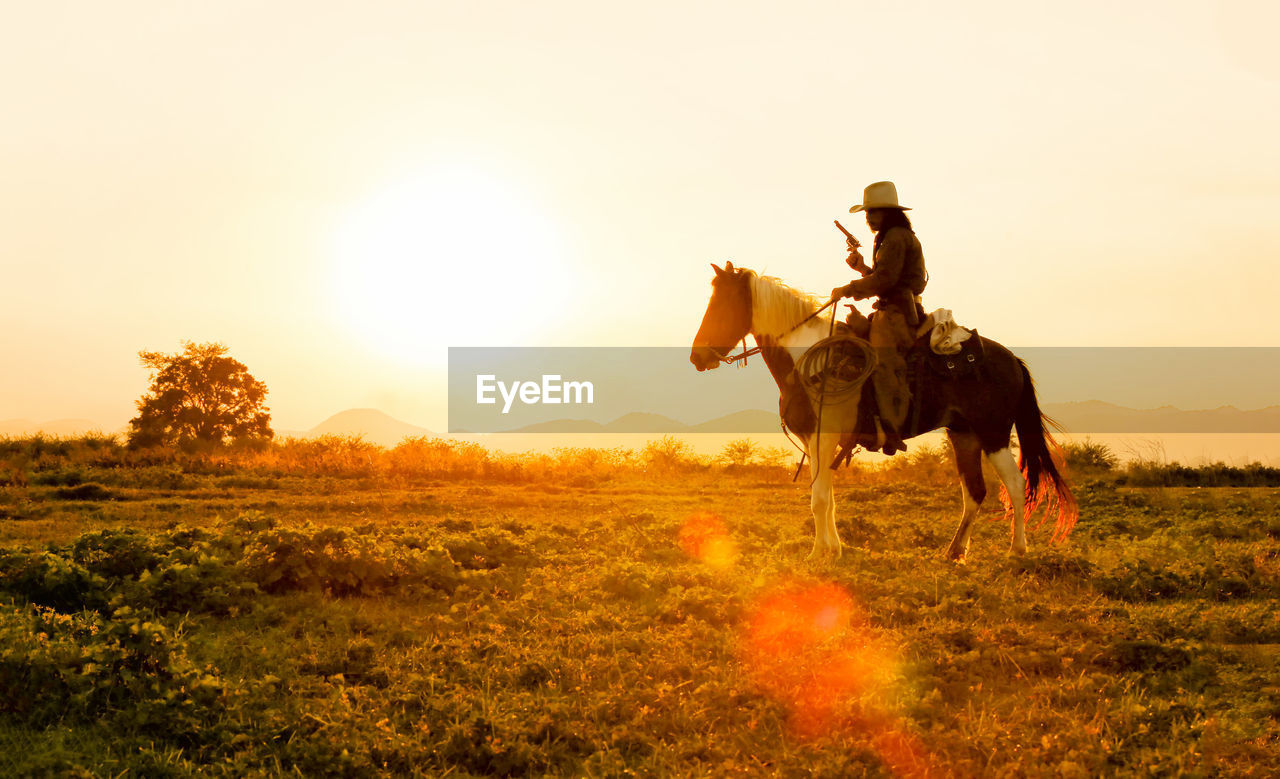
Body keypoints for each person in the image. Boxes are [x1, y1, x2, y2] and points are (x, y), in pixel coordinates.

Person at [830, 181, 927, 455]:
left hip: (897, 315)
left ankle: (891, 428)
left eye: (873, 212)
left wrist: (848, 289)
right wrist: (862, 268)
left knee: (881, 362)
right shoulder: (890, 236)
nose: (868, 218)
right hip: (890, 309)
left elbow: (885, 280)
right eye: (867, 213)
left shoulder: (895, 237)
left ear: (888, 212)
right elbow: (886, 278)